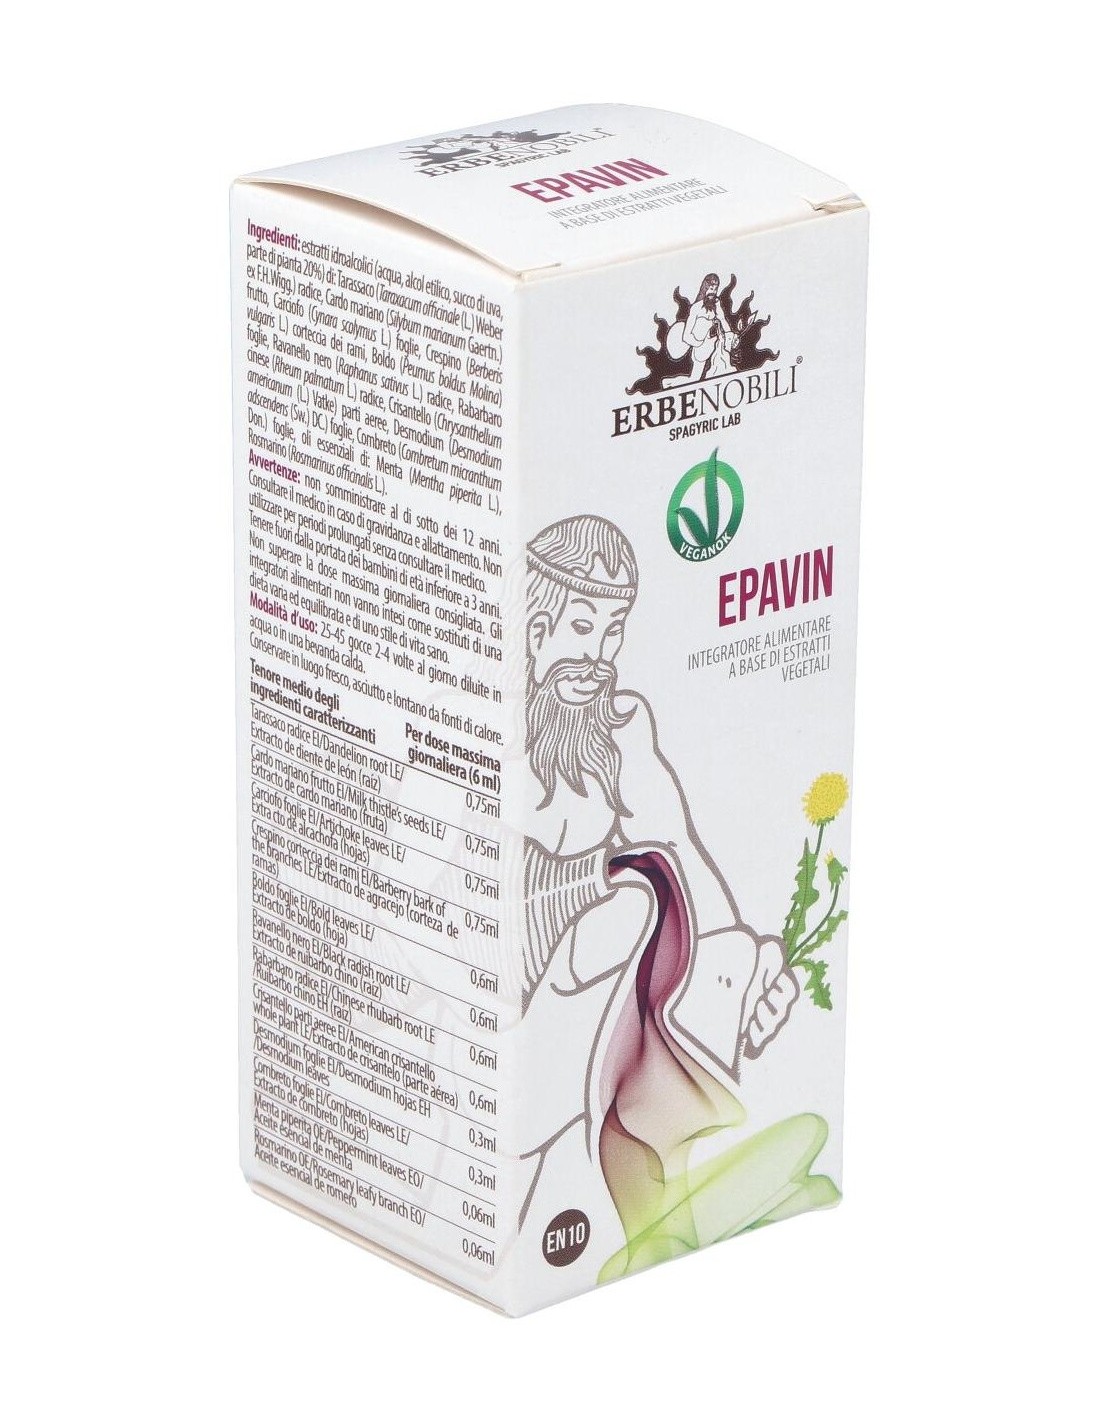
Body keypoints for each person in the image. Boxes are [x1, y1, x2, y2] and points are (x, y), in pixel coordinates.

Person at [518, 514, 834, 1280]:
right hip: (506, 1028)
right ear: (533, 630)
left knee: (666, 920)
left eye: (612, 633)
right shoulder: (480, 735)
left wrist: (744, 968)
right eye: (581, 628)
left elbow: (680, 851)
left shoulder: (618, 732)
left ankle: (666, 1220)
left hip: (596, 1035)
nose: (597, 659)